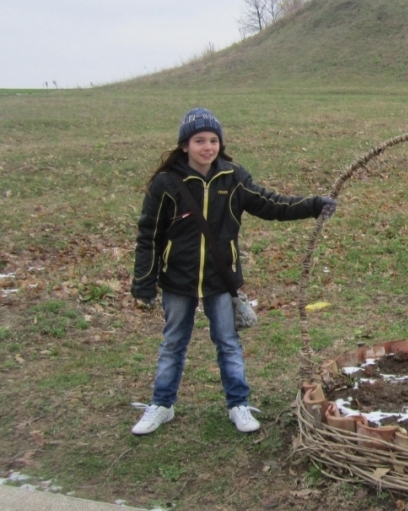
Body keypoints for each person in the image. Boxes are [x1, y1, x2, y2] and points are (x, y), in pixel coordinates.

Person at [130, 108, 336, 435]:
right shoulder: (166, 184)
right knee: (173, 343)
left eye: (213, 140)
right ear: (185, 145)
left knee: (227, 341)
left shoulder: (233, 177)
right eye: (199, 140)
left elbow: (272, 205)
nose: (207, 147)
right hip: (177, 280)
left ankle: (238, 404)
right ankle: (162, 405)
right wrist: (144, 281)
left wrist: (312, 205)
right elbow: (149, 235)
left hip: (220, 279)